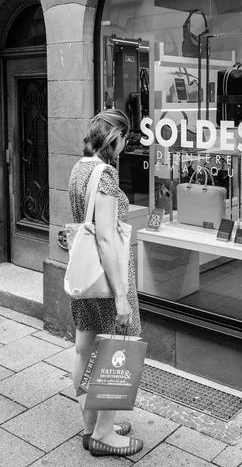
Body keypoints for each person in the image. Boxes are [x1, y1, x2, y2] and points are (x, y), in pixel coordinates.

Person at [68, 109, 143, 458]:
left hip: (86, 278)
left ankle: (91, 426)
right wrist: (122, 297)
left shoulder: (78, 168)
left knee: (86, 347)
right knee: (118, 353)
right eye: (126, 138)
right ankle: (104, 435)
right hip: (109, 281)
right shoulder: (107, 176)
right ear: (115, 138)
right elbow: (107, 239)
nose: (127, 145)